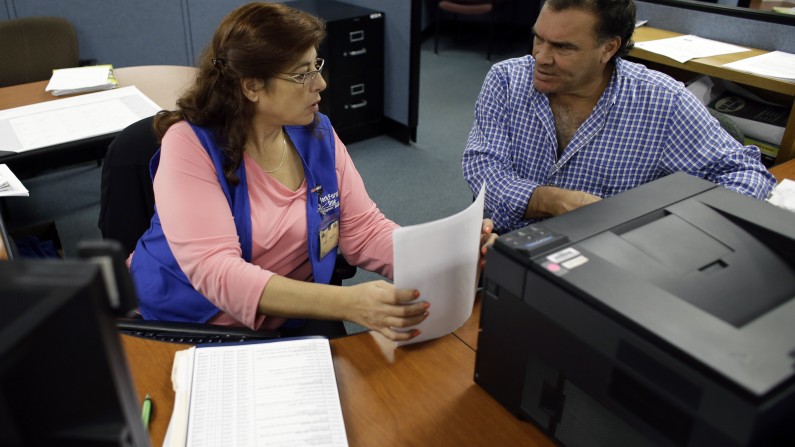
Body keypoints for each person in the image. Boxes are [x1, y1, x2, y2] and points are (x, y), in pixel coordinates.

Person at [129, 2, 496, 342]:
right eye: (302, 74)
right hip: (193, 324)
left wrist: (449, 255)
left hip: (292, 312)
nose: (320, 84)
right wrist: (348, 304)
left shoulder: (316, 131)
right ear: (252, 85)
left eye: (316, 67)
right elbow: (218, 273)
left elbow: (363, 231)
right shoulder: (190, 146)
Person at [462, 0, 776, 234]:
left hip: (602, 262)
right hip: (503, 247)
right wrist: (550, 200)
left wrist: (668, 229)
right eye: (539, 38)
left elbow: (746, 173)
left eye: (562, 47)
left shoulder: (660, 101)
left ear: (608, 48)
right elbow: (483, 168)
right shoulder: (506, 80)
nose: (541, 58)